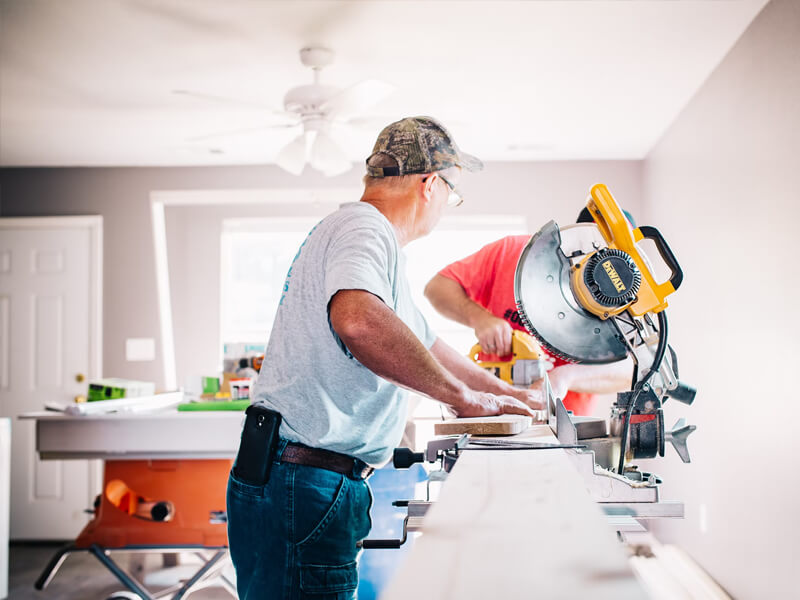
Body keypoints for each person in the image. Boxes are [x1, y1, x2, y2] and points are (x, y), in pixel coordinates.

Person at [227, 116, 543, 600]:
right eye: (451, 195)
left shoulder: (368, 242)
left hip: (298, 477)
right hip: (305, 480)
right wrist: (463, 399)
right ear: (431, 185)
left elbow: (427, 342)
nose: (445, 207)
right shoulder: (364, 226)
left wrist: (504, 393)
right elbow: (357, 321)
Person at [424, 208, 636, 416]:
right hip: (491, 409)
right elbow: (437, 287)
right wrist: (479, 318)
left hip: (564, 422)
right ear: (574, 234)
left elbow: (632, 370)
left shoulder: (623, 298)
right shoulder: (513, 252)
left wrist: (566, 376)